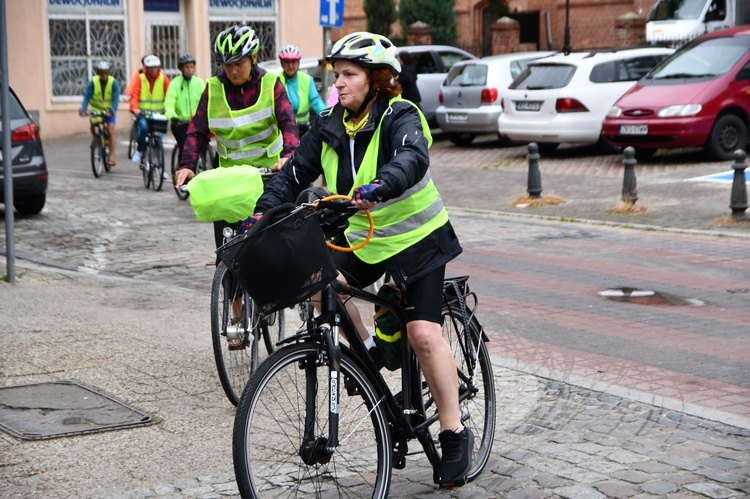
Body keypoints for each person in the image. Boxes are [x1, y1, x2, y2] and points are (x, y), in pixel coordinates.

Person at [244, 32, 473, 487]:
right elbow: (291, 175)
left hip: (418, 239)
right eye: (337, 76)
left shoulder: (400, 115)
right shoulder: (328, 124)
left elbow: (412, 158)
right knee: (316, 286)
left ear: (378, 79)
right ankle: (366, 355)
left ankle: (454, 430)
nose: (340, 84)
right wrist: (261, 212)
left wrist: (381, 185)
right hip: (364, 240)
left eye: (350, 75)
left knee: (422, 334)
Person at [174, 25, 298, 252]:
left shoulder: (271, 84)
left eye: (239, 63)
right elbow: (196, 131)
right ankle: (228, 283)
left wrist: (288, 155)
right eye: (227, 65)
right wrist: (187, 165)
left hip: (268, 177)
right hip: (229, 180)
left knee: (273, 246)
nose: (233, 71)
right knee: (227, 249)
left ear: (254, 58)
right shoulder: (213, 89)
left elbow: (288, 123)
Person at [128, 54, 170, 176]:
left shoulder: (163, 79)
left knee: (159, 139)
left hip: (158, 114)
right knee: (144, 128)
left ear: (159, 67)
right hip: (143, 113)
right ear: (145, 67)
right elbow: (134, 94)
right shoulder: (140, 78)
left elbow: (170, 95)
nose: (152, 70)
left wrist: (170, 111)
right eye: (150, 67)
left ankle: (161, 169)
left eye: (155, 67)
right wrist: (135, 108)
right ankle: (140, 150)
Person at [277, 44, 326, 136]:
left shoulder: (307, 79)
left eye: (294, 61)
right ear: (281, 63)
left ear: (299, 62)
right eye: (286, 61)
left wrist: (328, 116)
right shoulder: (276, 81)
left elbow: (316, 101)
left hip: (303, 129)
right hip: (283, 129)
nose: (290, 65)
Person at [164, 54, 205, 158]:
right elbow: (169, 102)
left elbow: (207, 100)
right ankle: (181, 170)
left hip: (196, 122)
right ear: (181, 69)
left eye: (191, 67)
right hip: (180, 123)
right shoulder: (175, 83)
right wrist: (172, 116)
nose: (189, 70)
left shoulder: (199, 83)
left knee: (203, 144)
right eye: (186, 67)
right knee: (185, 149)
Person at [80, 60, 120, 166]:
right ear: (98, 73)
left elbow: (116, 99)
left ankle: (111, 156)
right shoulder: (93, 82)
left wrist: (112, 110)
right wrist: (83, 109)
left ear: (109, 72)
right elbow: (87, 97)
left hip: (109, 111)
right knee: (93, 126)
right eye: (101, 73)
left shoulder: (113, 83)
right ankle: (97, 140)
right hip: (96, 110)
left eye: (106, 72)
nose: (104, 75)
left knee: (110, 131)